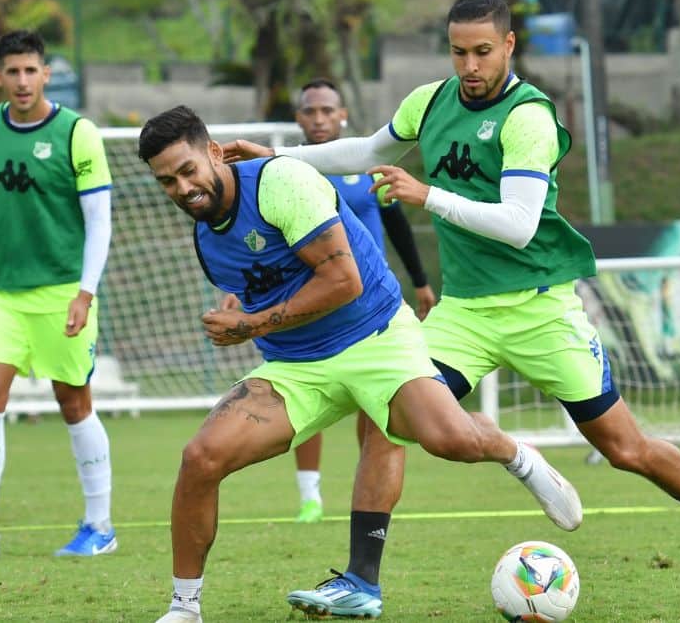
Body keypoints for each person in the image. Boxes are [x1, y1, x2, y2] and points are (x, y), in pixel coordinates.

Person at [223, 0, 680, 607]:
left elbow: (517, 223)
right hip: (465, 315)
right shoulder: (430, 101)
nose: (470, 65)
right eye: (459, 52)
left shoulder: (528, 116)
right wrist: (278, 157)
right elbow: (367, 152)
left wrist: (428, 194)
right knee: (388, 417)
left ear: (509, 46)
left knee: (626, 448)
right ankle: (362, 583)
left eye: (483, 52)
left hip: (541, 310)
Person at [137, 105, 582, 623]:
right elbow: (253, 289)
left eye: (187, 170)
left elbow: (343, 280)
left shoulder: (281, 183)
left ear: (213, 152)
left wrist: (251, 326)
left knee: (450, 440)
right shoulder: (207, 238)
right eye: (167, 181)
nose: (181, 188)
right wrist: (238, 312)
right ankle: (184, 609)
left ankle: (515, 453)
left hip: (375, 334)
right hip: (296, 364)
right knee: (200, 460)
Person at [0, 29, 117, 560]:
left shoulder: (76, 133)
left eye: (30, 70)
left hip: (63, 290)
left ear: (46, 74)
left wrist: (85, 292)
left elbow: (100, 219)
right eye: (12, 72)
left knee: (74, 403)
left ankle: (99, 525)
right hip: (0, 293)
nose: (22, 81)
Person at [286, 78, 436, 524]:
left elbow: (396, 224)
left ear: (342, 115)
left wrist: (422, 282)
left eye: (326, 111)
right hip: (313, 297)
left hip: (370, 300)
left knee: (375, 398)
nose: (318, 119)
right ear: (299, 118)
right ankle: (309, 497)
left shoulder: (368, 162)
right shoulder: (288, 169)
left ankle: (366, 486)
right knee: (305, 399)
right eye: (310, 111)